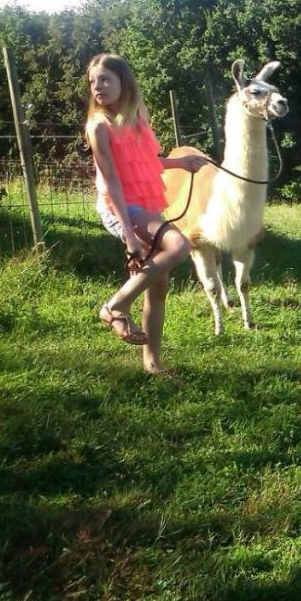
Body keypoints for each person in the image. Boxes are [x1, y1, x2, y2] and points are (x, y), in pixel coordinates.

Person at [84, 53, 206, 376]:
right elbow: (112, 184)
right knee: (178, 246)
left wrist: (181, 163)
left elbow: (146, 162)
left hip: (146, 202)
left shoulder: (138, 114)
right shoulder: (98, 128)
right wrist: (129, 237)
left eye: (106, 79)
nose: (98, 87)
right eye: (93, 82)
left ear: (124, 82)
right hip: (119, 207)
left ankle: (152, 364)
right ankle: (116, 306)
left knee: (159, 282)